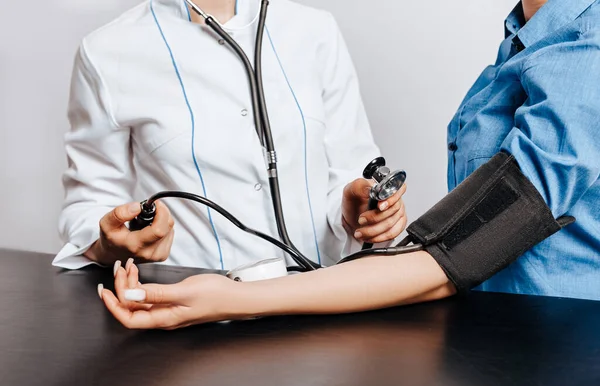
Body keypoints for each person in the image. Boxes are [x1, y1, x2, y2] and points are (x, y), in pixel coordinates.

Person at [99, 0, 600, 330]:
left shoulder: (589, 44)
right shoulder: (529, 30)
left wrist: (234, 299)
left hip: (567, 343)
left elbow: (461, 248)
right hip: (497, 336)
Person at [53, 0, 408, 271]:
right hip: (195, 319)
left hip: (321, 307)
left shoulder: (315, 31)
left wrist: (358, 212)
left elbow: (352, 171)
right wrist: (112, 245)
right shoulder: (107, 51)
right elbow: (87, 205)